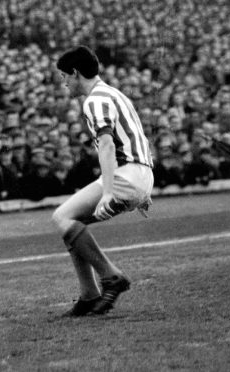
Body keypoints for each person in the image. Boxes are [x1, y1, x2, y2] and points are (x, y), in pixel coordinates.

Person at [51, 46, 154, 316]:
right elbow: (137, 138)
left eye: (64, 76)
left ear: (75, 73)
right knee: (73, 223)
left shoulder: (94, 100)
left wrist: (109, 192)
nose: (64, 83)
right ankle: (88, 295)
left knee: (62, 217)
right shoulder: (114, 93)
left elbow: (107, 145)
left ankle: (111, 277)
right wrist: (143, 190)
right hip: (139, 174)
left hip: (125, 174)